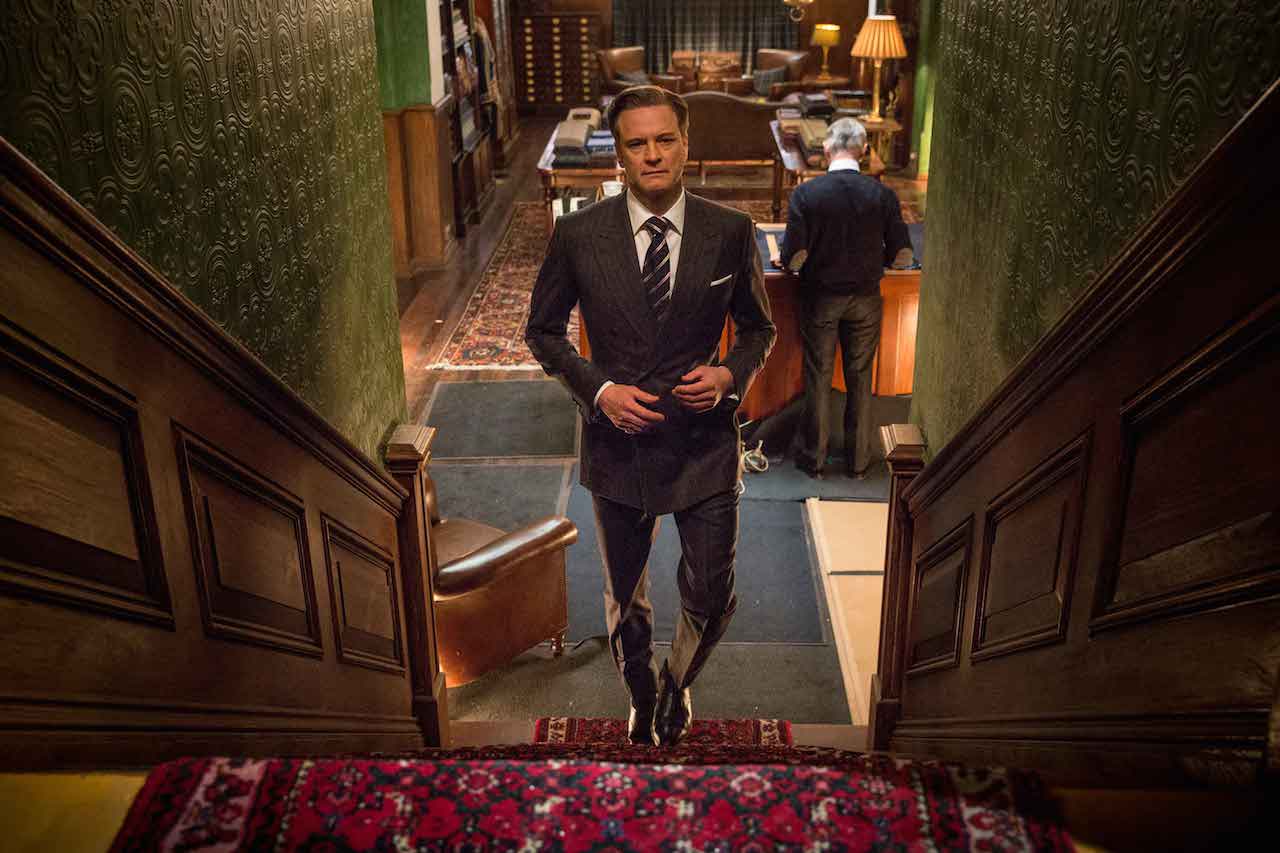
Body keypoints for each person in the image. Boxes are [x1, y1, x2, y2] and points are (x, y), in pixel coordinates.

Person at [526, 86, 775, 747]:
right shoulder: (579, 235)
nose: (653, 154)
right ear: (620, 155)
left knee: (712, 591)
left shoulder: (731, 231)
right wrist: (599, 390)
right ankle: (641, 694)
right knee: (625, 593)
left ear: (686, 145)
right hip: (618, 444)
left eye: (665, 140)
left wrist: (729, 375)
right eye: (637, 144)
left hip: (705, 442)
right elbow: (542, 332)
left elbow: (759, 329)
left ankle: (676, 680)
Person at [776, 117, 913, 480]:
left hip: (821, 299)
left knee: (819, 375)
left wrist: (790, 261)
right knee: (861, 378)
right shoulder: (882, 195)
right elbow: (902, 255)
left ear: (826, 149)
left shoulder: (807, 195)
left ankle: (814, 460)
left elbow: (794, 257)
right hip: (866, 299)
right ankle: (858, 462)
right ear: (864, 150)